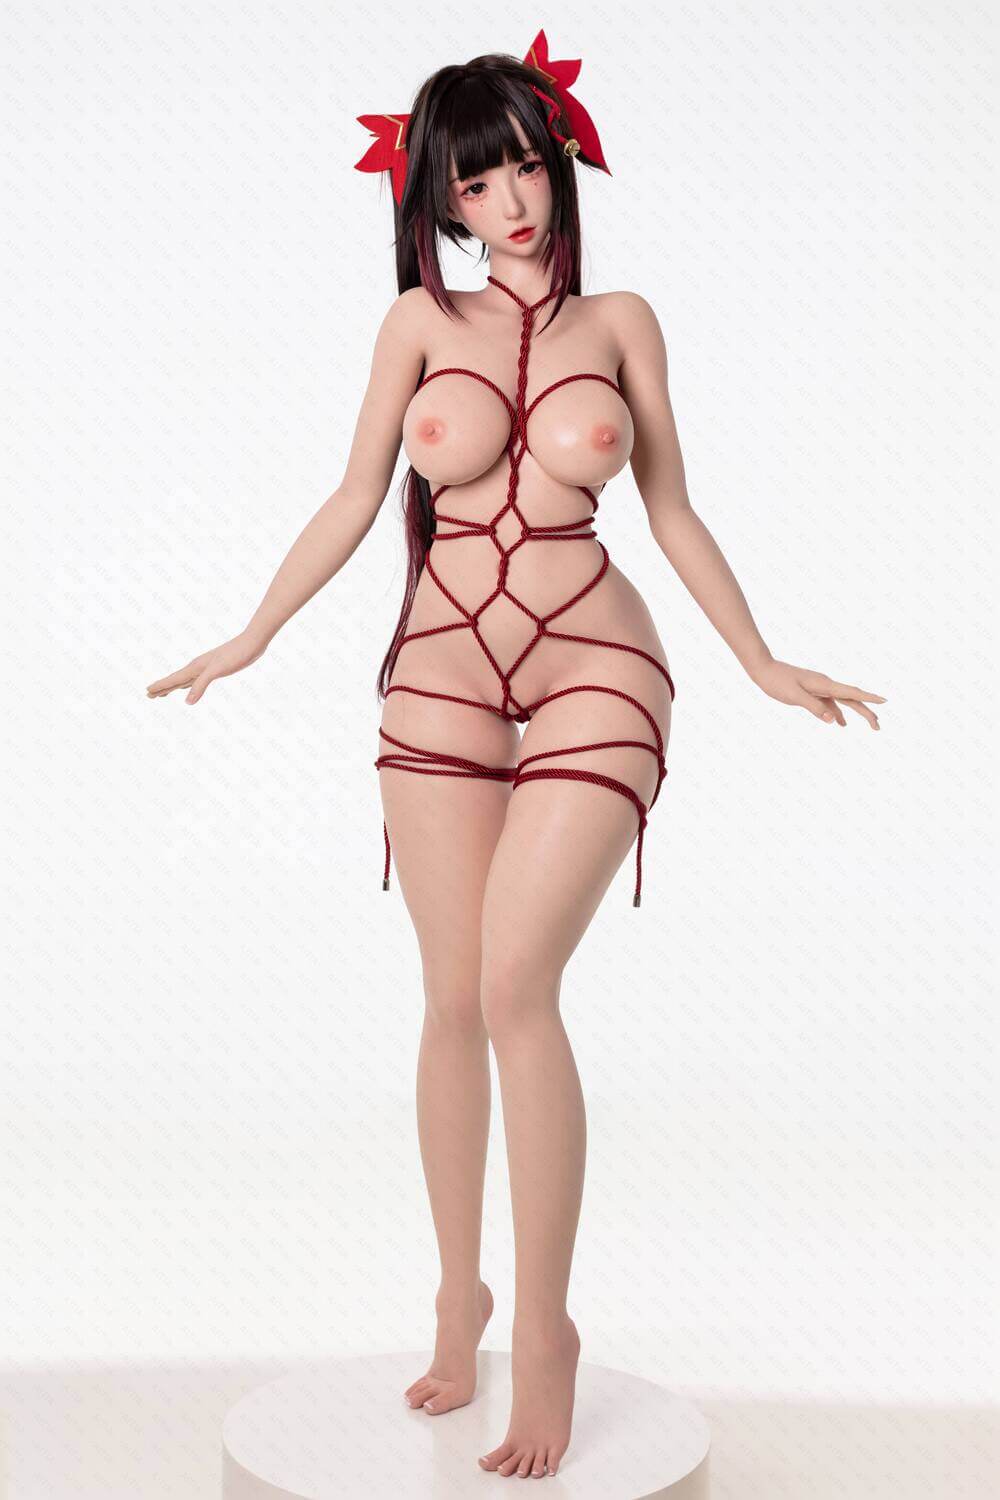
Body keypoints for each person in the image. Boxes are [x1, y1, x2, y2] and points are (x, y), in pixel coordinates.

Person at [147, 33, 886, 1482]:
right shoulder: (417, 327)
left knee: (512, 985)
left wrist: (758, 659)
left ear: (563, 165)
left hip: (596, 657)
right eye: (477, 185)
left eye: (528, 169)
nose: (512, 203)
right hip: (441, 663)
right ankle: (458, 1297)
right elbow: (355, 497)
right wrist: (252, 633)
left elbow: (672, 510)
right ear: (441, 201)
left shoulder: (624, 320)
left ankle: (544, 1332)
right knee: (448, 998)